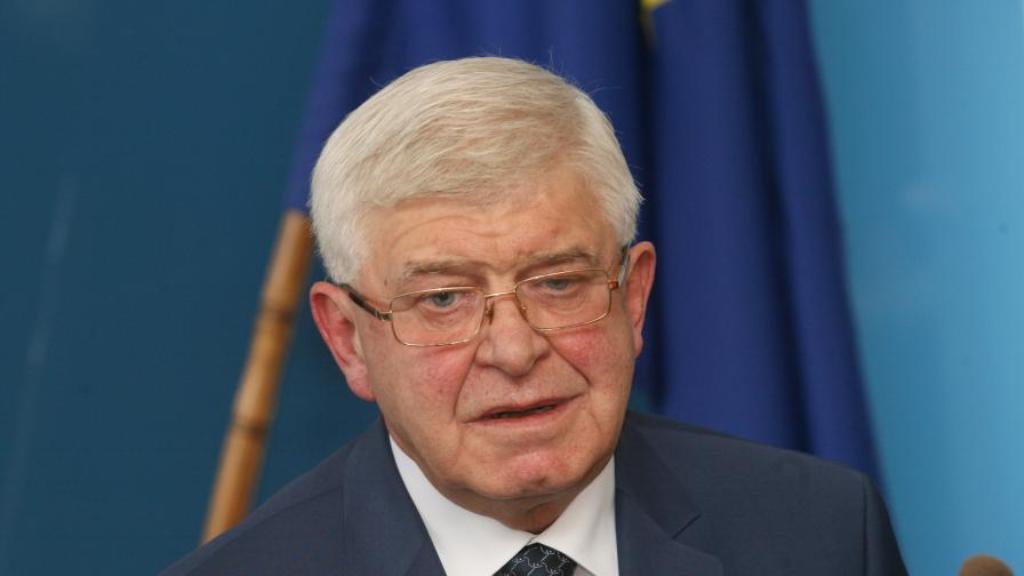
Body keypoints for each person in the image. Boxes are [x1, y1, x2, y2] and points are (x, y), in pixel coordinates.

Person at [163, 57, 906, 575]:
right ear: (348, 340)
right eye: (443, 299)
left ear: (634, 296)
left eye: (557, 283)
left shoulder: (823, 532)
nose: (514, 351)